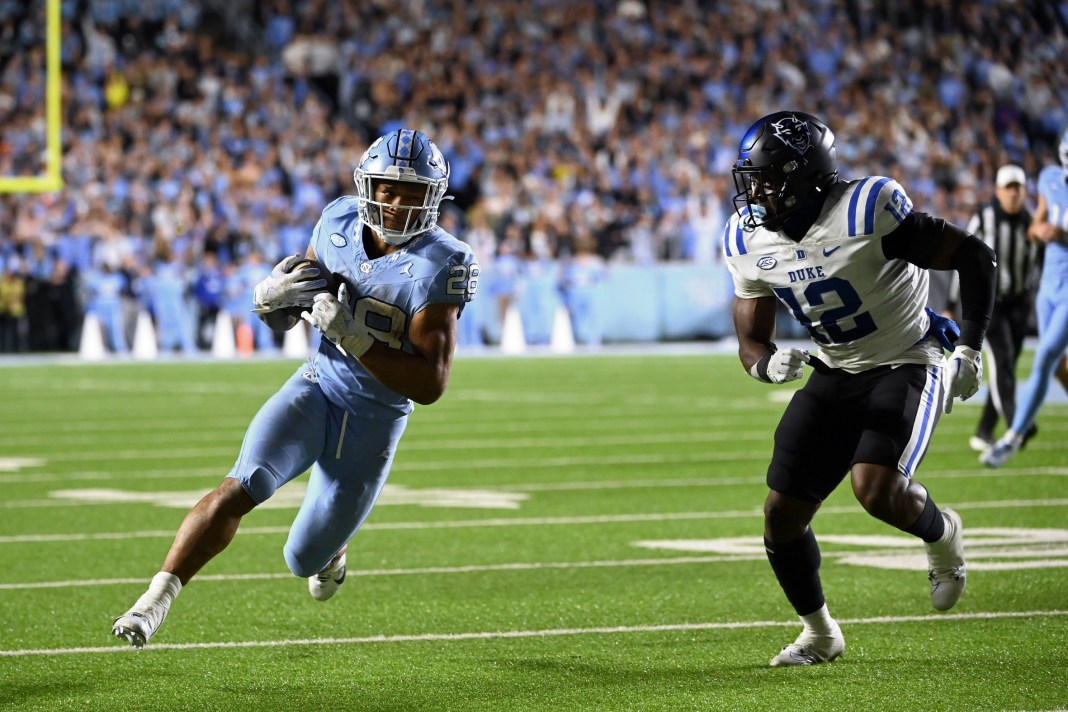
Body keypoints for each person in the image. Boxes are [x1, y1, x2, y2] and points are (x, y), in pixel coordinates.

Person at [112, 128, 480, 649]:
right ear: (366, 184)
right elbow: (295, 313)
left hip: (374, 420)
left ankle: (333, 550)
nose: (396, 205)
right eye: (387, 189)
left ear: (434, 198)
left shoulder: (444, 261)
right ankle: (153, 601)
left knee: (301, 558)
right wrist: (272, 302)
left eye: (412, 193)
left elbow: (430, 383)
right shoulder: (338, 219)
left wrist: (353, 336)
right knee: (242, 485)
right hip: (317, 387)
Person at [722, 111, 996, 667]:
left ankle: (943, 533)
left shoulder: (866, 208)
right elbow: (752, 337)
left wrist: (968, 346)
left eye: (768, 181)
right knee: (780, 514)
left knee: (874, 489)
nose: (755, 194)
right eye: (751, 181)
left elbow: (974, 256)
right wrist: (763, 365)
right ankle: (820, 634)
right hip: (836, 365)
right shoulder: (745, 237)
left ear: (805, 179)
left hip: (906, 358)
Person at [981, 128, 1068, 467]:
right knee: (1055, 362)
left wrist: (1063, 235)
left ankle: (1013, 436)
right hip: (1048, 286)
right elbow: (1037, 224)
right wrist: (1040, 231)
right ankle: (1014, 433)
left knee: (1045, 354)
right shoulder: (1050, 178)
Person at [952, 165, 1042, 451]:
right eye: (1009, 187)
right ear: (998, 191)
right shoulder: (984, 217)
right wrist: (952, 303)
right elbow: (963, 258)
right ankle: (1019, 425)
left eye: (1019, 187)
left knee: (1007, 368)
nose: (1015, 193)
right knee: (1003, 362)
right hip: (992, 304)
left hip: (1019, 302)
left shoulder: (1032, 221)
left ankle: (984, 431)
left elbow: (1037, 264)